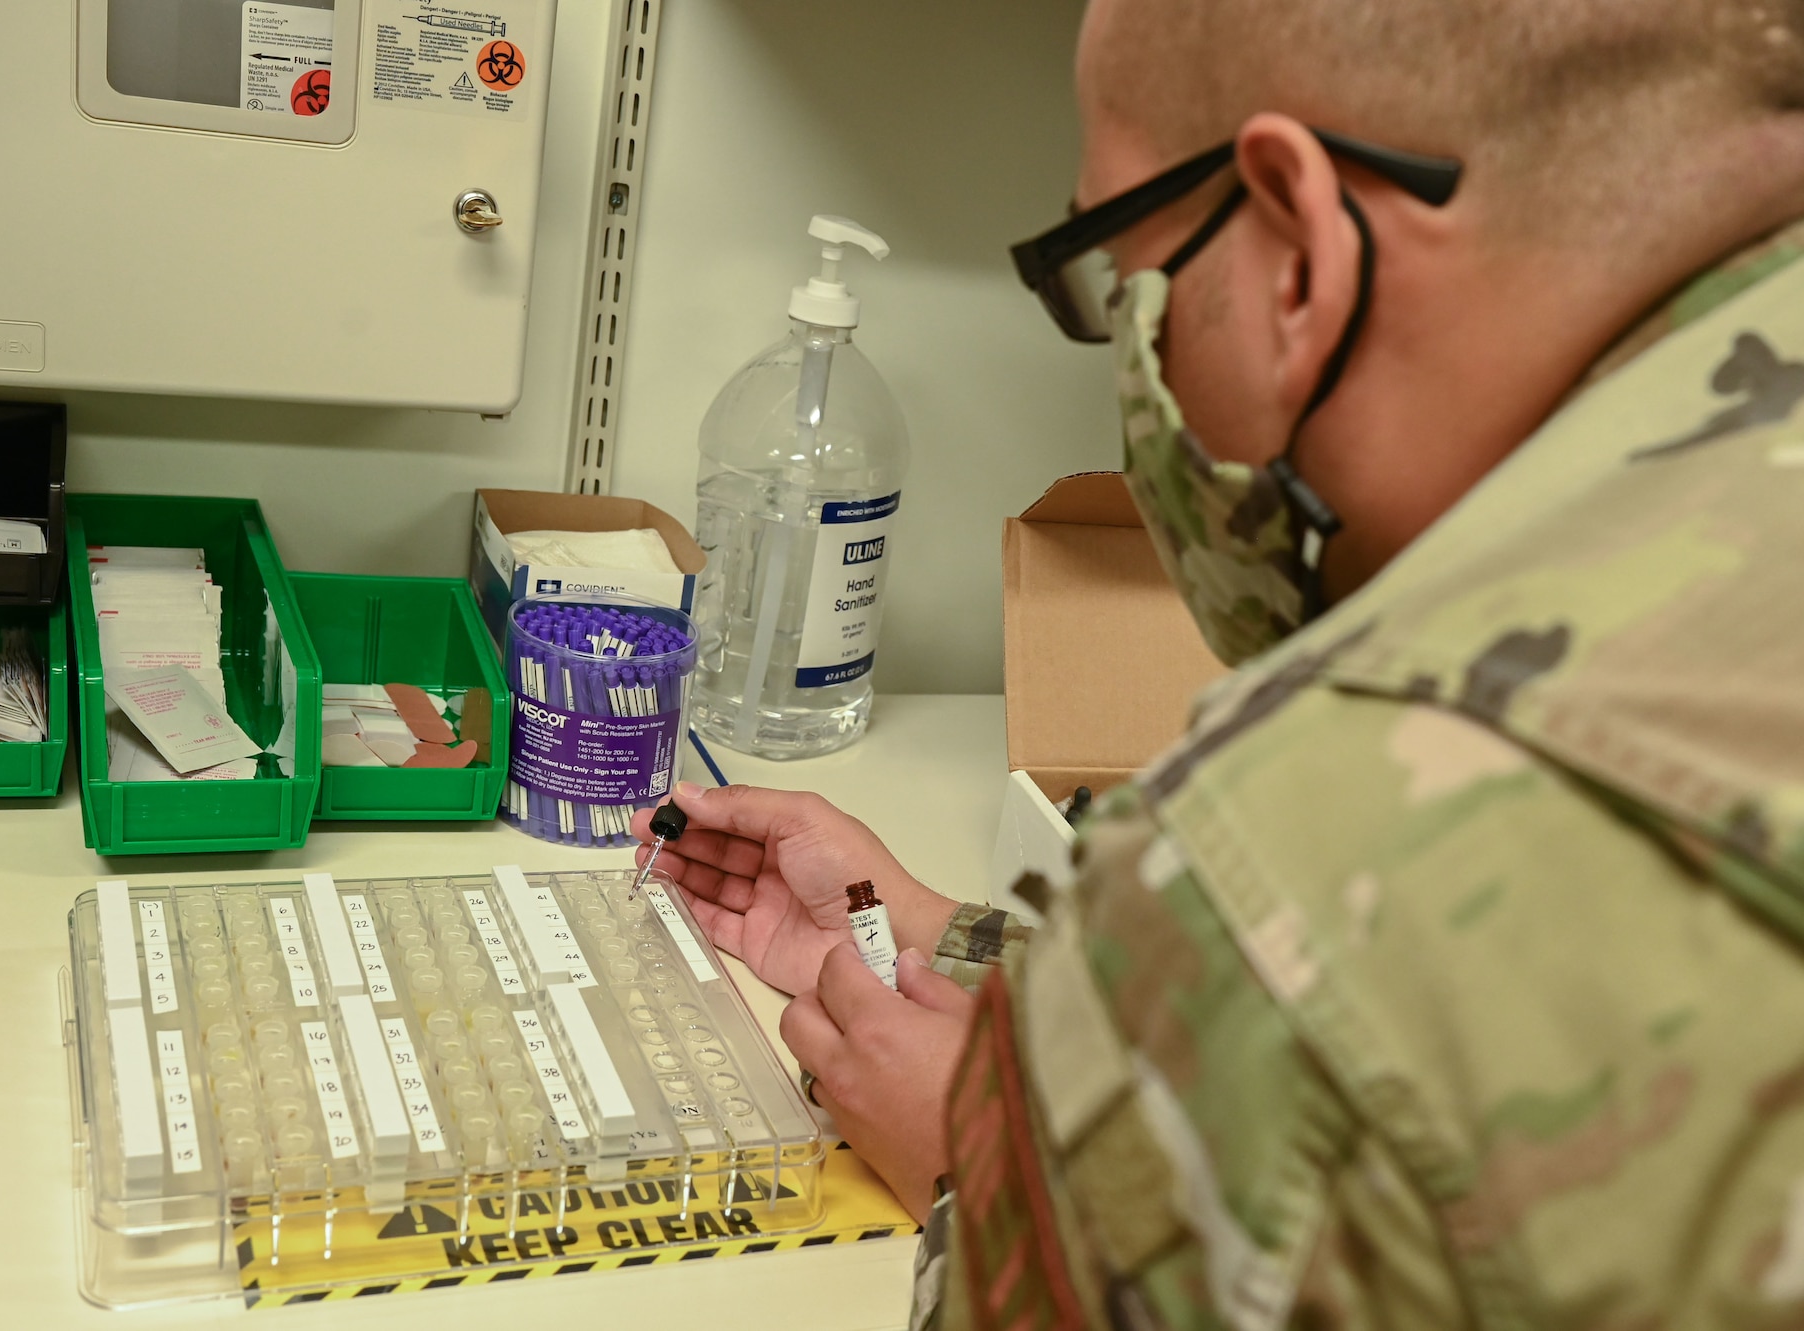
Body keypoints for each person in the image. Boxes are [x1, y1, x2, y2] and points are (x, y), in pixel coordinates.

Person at [639, 0, 1804, 1324]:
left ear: (1299, 254)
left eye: (1117, 280)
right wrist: (946, 944)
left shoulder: (1320, 848)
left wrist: (996, 1183)